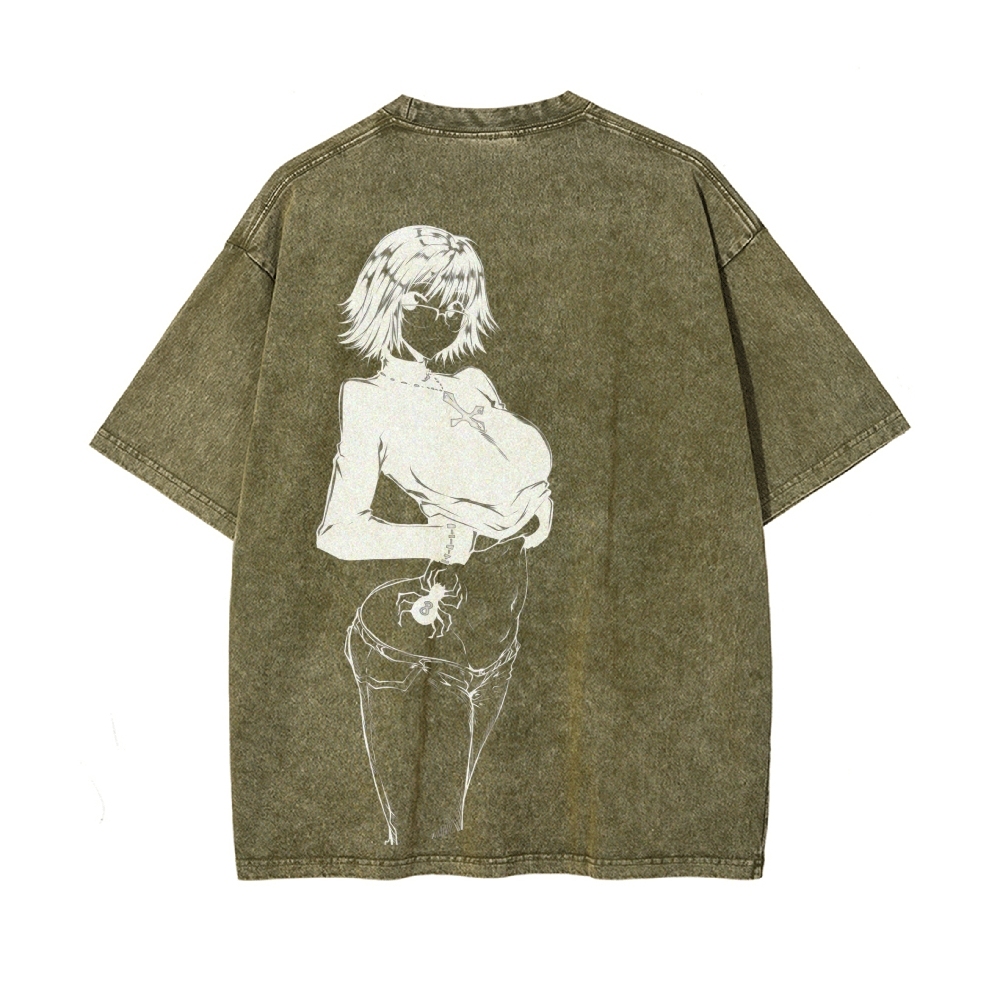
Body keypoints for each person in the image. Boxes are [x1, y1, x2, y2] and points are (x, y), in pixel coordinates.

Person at [316, 225, 553, 844]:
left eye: (457, 305)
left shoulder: (472, 383)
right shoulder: (368, 400)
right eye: (428, 300)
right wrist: (444, 542)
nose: (444, 318)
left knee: (460, 834)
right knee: (433, 839)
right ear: (387, 296)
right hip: (420, 642)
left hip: (496, 638)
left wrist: (539, 500)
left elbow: (511, 472)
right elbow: (338, 531)